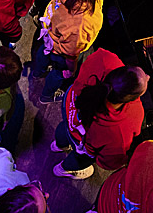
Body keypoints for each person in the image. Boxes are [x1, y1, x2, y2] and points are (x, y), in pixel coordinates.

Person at [53, 48, 147, 179]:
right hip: (82, 140)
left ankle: (58, 145)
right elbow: (107, 162)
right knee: (80, 159)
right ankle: (62, 169)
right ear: (130, 98)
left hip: (70, 107)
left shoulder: (106, 58)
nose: (148, 77)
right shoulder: (130, 120)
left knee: (65, 128)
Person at [38, 0, 120, 101]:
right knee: (59, 72)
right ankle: (46, 95)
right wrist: (72, 69)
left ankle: (37, 72)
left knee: (42, 53)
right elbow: (70, 53)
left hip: (50, 29)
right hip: (60, 48)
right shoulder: (85, 21)